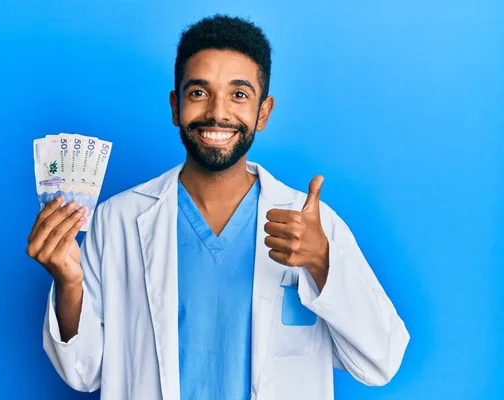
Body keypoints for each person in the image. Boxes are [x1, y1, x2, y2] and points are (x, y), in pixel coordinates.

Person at [26, 14, 410, 400]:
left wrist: (322, 261)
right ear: (175, 106)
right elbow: (82, 371)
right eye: (198, 92)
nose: (217, 113)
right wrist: (68, 283)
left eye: (239, 94)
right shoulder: (118, 221)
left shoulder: (313, 225)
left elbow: (381, 362)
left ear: (263, 112)